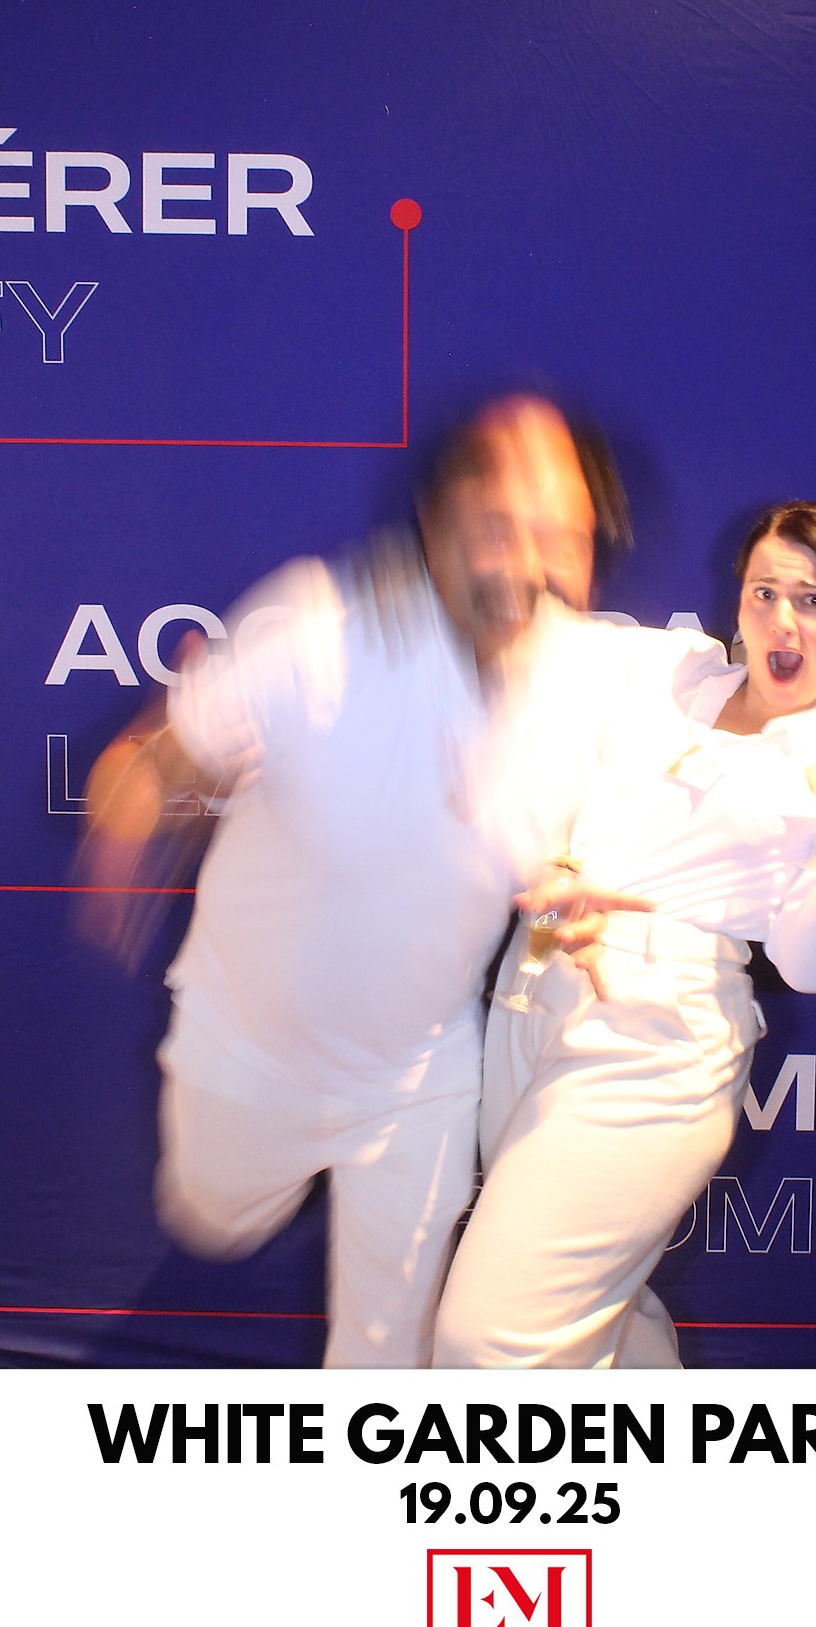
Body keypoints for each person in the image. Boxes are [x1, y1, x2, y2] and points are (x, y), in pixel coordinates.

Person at [78, 393, 637, 1367]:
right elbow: (152, 767)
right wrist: (130, 824)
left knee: (388, 1351)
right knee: (216, 1218)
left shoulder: (591, 680)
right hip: (251, 1052)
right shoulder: (316, 632)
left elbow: (548, 849)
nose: (533, 566)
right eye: (501, 530)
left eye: (565, 539)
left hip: (417, 1077)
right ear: (439, 527)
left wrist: (565, 901)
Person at [431, 500, 816, 1369]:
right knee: (590, 1314)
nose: (781, 621)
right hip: (533, 992)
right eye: (764, 592)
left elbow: (813, 966)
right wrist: (544, 857)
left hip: (654, 1044)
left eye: (812, 600)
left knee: (491, 1341)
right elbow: (524, 674)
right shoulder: (672, 669)